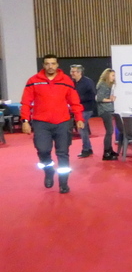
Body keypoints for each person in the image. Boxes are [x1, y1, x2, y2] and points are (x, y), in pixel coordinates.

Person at [21, 54, 85, 193]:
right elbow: (26, 102)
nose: (50, 66)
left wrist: (79, 118)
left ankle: (63, 183)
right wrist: (25, 120)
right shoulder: (33, 81)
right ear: (43, 65)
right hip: (41, 123)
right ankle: (48, 170)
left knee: (63, 153)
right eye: (47, 64)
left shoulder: (66, 80)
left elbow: (74, 101)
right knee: (43, 150)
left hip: (62, 123)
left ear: (57, 65)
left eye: (53, 63)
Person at [70, 64, 96, 158]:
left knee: (82, 129)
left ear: (79, 72)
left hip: (86, 108)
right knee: (82, 129)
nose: (71, 73)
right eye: (71, 71)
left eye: (73, 71)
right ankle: (88, 148)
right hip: (79, 108)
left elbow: (92, 95)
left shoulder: (87, 82)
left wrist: (77, 99)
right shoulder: (73, 82)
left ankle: (86, 149)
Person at [95, 68, 119, 160]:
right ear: (107, 75)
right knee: (109, 131)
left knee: (110, 131)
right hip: (105, 110)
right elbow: (99, 98)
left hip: (108, 109)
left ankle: (110, 150)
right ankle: (106, 153)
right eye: (112, 75)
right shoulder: (103, 85)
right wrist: (110, 100)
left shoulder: (108, 85)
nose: (114, 77)